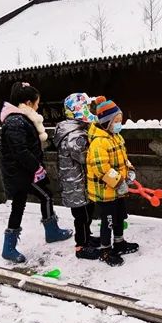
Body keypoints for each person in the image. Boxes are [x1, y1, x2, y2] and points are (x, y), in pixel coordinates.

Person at [0, 81, 72, 263]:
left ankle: (9, 246)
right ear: (29, 103)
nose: (38, 106)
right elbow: (21, 151)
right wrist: (37, 168)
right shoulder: (16, 121)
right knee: (45, 195)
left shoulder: (17, 119)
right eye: (37, 103)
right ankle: (51, 231)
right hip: (22, 172)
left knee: (20, 205)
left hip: (21, 172)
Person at [85, 96, 138, 266]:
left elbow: (124, 159)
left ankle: (120, 242)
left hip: (118, 190)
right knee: (108, 221)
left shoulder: (116, 137)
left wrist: (129, 171)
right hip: (105, 191)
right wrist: (119, 182)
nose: (119, 124)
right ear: (107, 122)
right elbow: (102, 169)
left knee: (119, 217)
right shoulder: (98, 143)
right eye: (116, 121)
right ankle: (106, 250)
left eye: (120, 120)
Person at [52, 92, 100, 259]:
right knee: (82, 216)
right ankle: (81, 246)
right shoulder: (75, 135)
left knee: (87, 213)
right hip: (77, 184)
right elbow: (84, 156)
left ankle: (87, 238)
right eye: (87, 107)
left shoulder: (75, 129)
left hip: (78, 183)